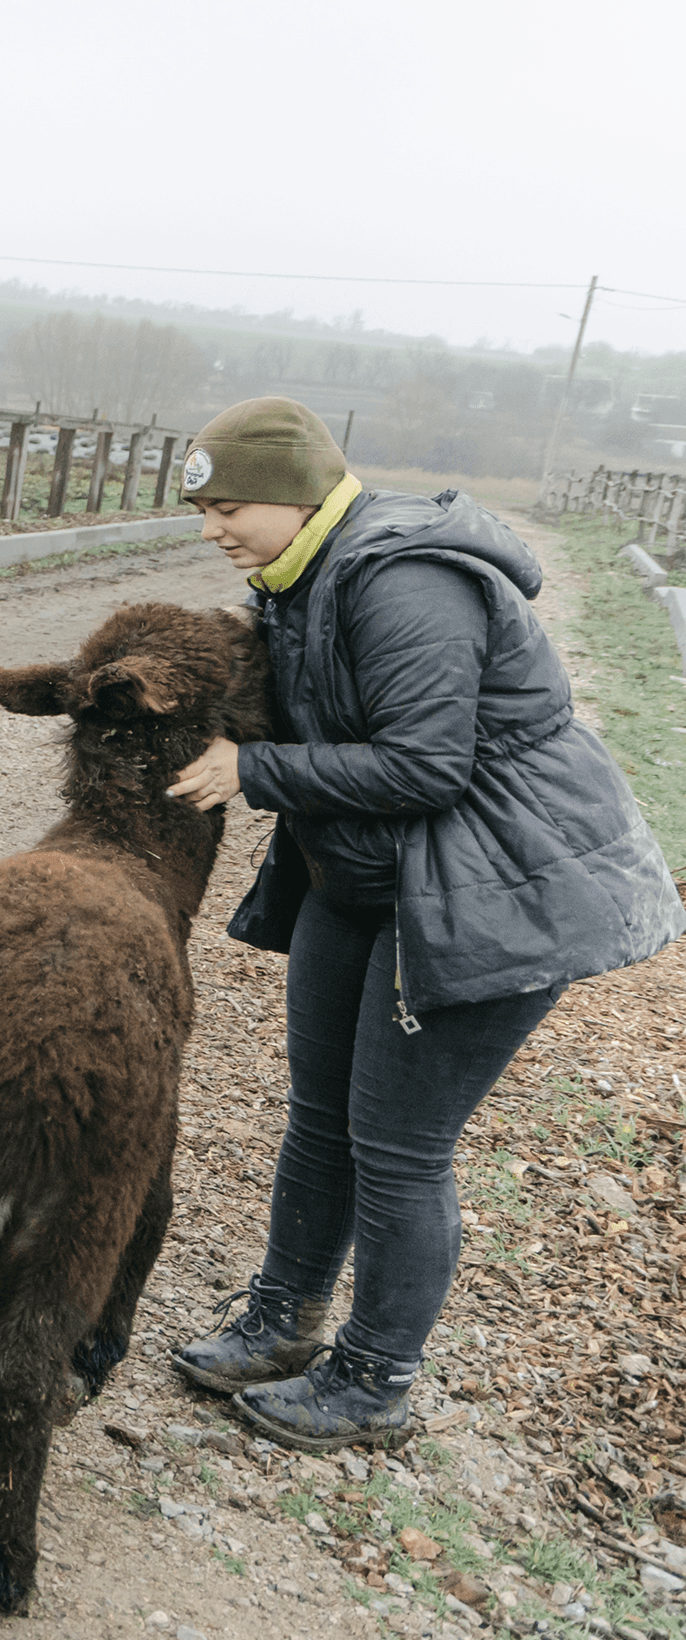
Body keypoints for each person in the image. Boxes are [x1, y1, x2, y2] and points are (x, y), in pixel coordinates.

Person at [163, 398, 681, 1450]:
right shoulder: (295, 576)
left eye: (228, 507)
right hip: (363, 876)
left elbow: (426, 764)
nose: (213, 529)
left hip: (488, 883)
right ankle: (283, 1320)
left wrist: (254, 768)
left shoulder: (403, 580)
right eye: (203, 511)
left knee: (399, 1147)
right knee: (320, 1116)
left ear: (299, 493)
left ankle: (375, 1380)